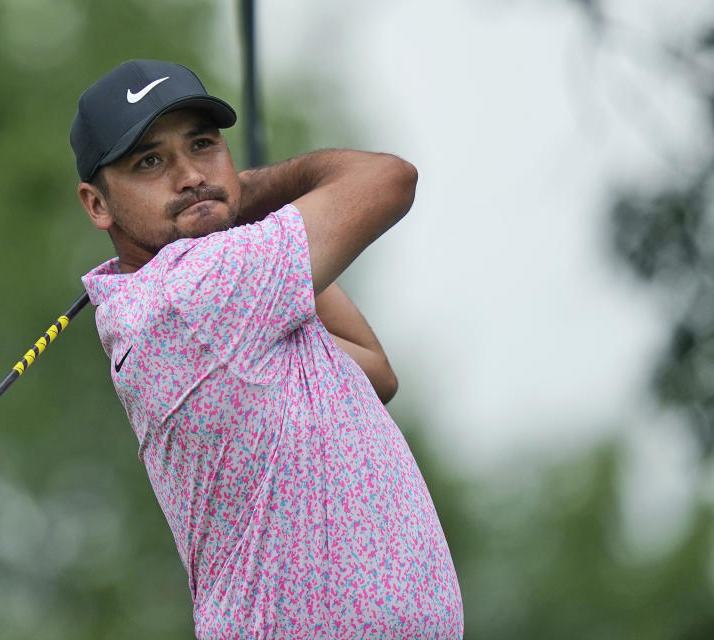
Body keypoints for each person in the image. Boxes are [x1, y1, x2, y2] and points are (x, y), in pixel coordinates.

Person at [71, 59, 463, 639]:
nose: (188, 176)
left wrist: (236, 218)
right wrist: (249, 193)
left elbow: (373, 372)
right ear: (98, 205)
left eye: (203, 146)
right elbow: (388, 179)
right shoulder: (191, 290)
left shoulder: (229, 306)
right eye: (150, 161)